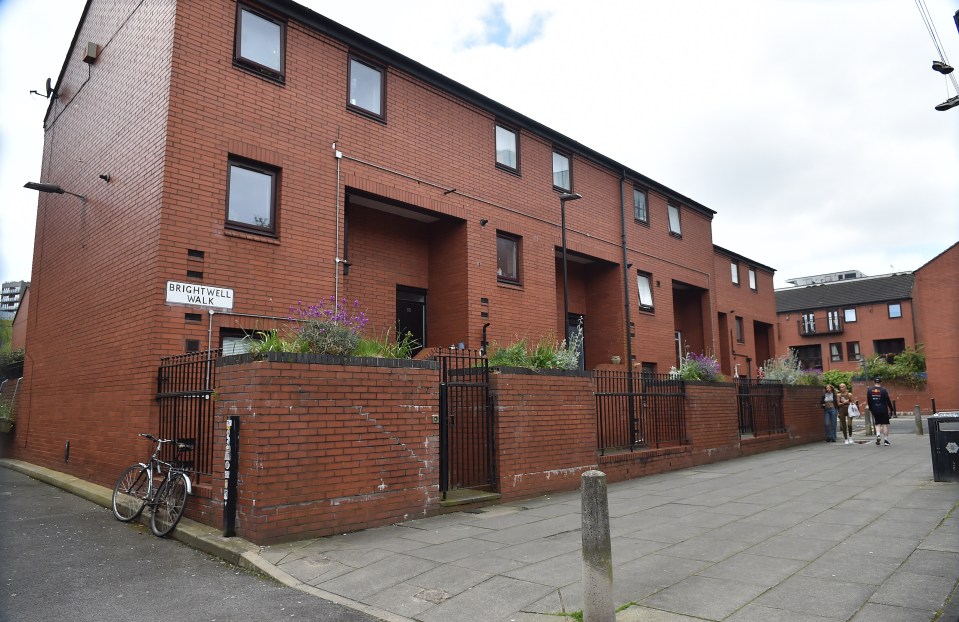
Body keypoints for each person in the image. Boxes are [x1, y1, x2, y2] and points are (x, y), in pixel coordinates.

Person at [866, 377, 894, 445]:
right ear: (881, 382)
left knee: (877, 423)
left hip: (875, 409)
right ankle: (886, 440)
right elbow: (888, 400)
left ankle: (878, 435)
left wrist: (870, 408)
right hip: (883, 409)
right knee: (885, 424)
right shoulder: (884, 390)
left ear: (874, 382)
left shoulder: (869, 390)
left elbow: (869, 400)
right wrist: (891, 409)